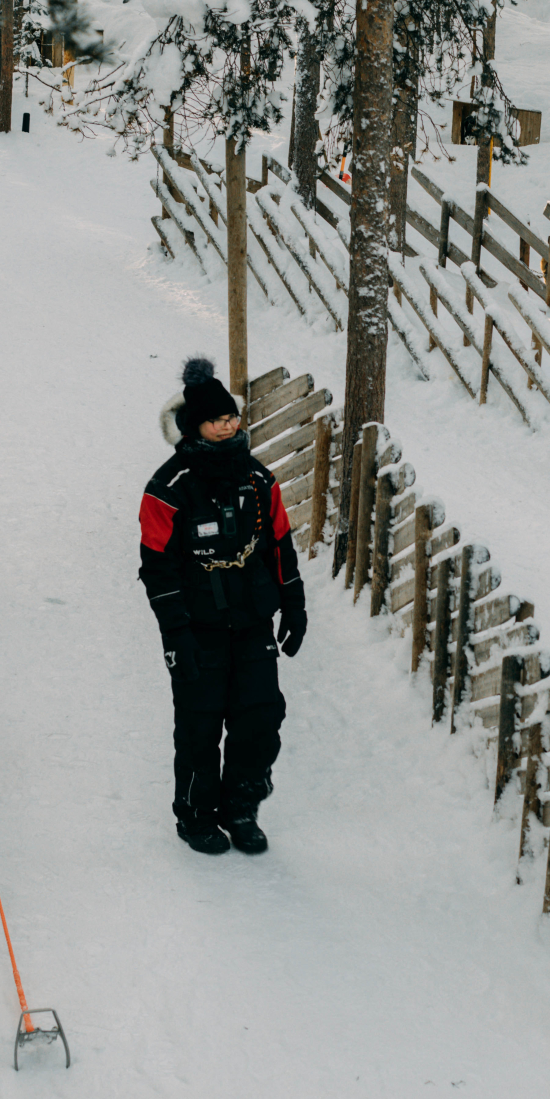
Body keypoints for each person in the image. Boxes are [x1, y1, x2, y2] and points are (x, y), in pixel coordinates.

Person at [138, 357, 308, 855]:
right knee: (199, 727)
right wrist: (176, 636)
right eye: (219, 420)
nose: (230, 425)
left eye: (233, 417)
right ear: (197, 426)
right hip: (198, 629)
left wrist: (294, 607)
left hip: (253, 623)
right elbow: (157, 569)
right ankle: (195, 816)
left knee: (259, 720)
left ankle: (240, 810)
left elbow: (281, 545)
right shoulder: (167, 489)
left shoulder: (258, 480)